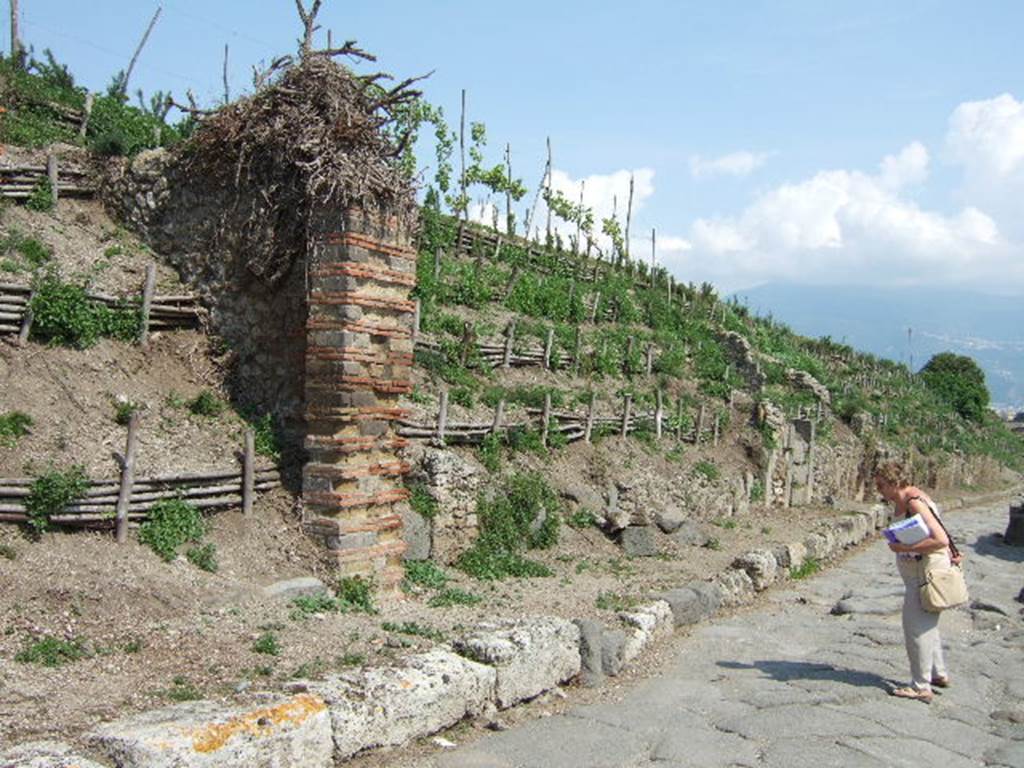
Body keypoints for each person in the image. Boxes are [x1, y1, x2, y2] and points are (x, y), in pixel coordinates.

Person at [874, 460, 959, 703]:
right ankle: (937, 673)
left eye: (881, 485)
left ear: (893, 482)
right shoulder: (908, 500)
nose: (878, 490)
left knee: (915, 628)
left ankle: (921, 686)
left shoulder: (913, 502)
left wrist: (903, 546)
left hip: (924, 574)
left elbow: (940, 539)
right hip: (918, 573)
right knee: (927, 625)